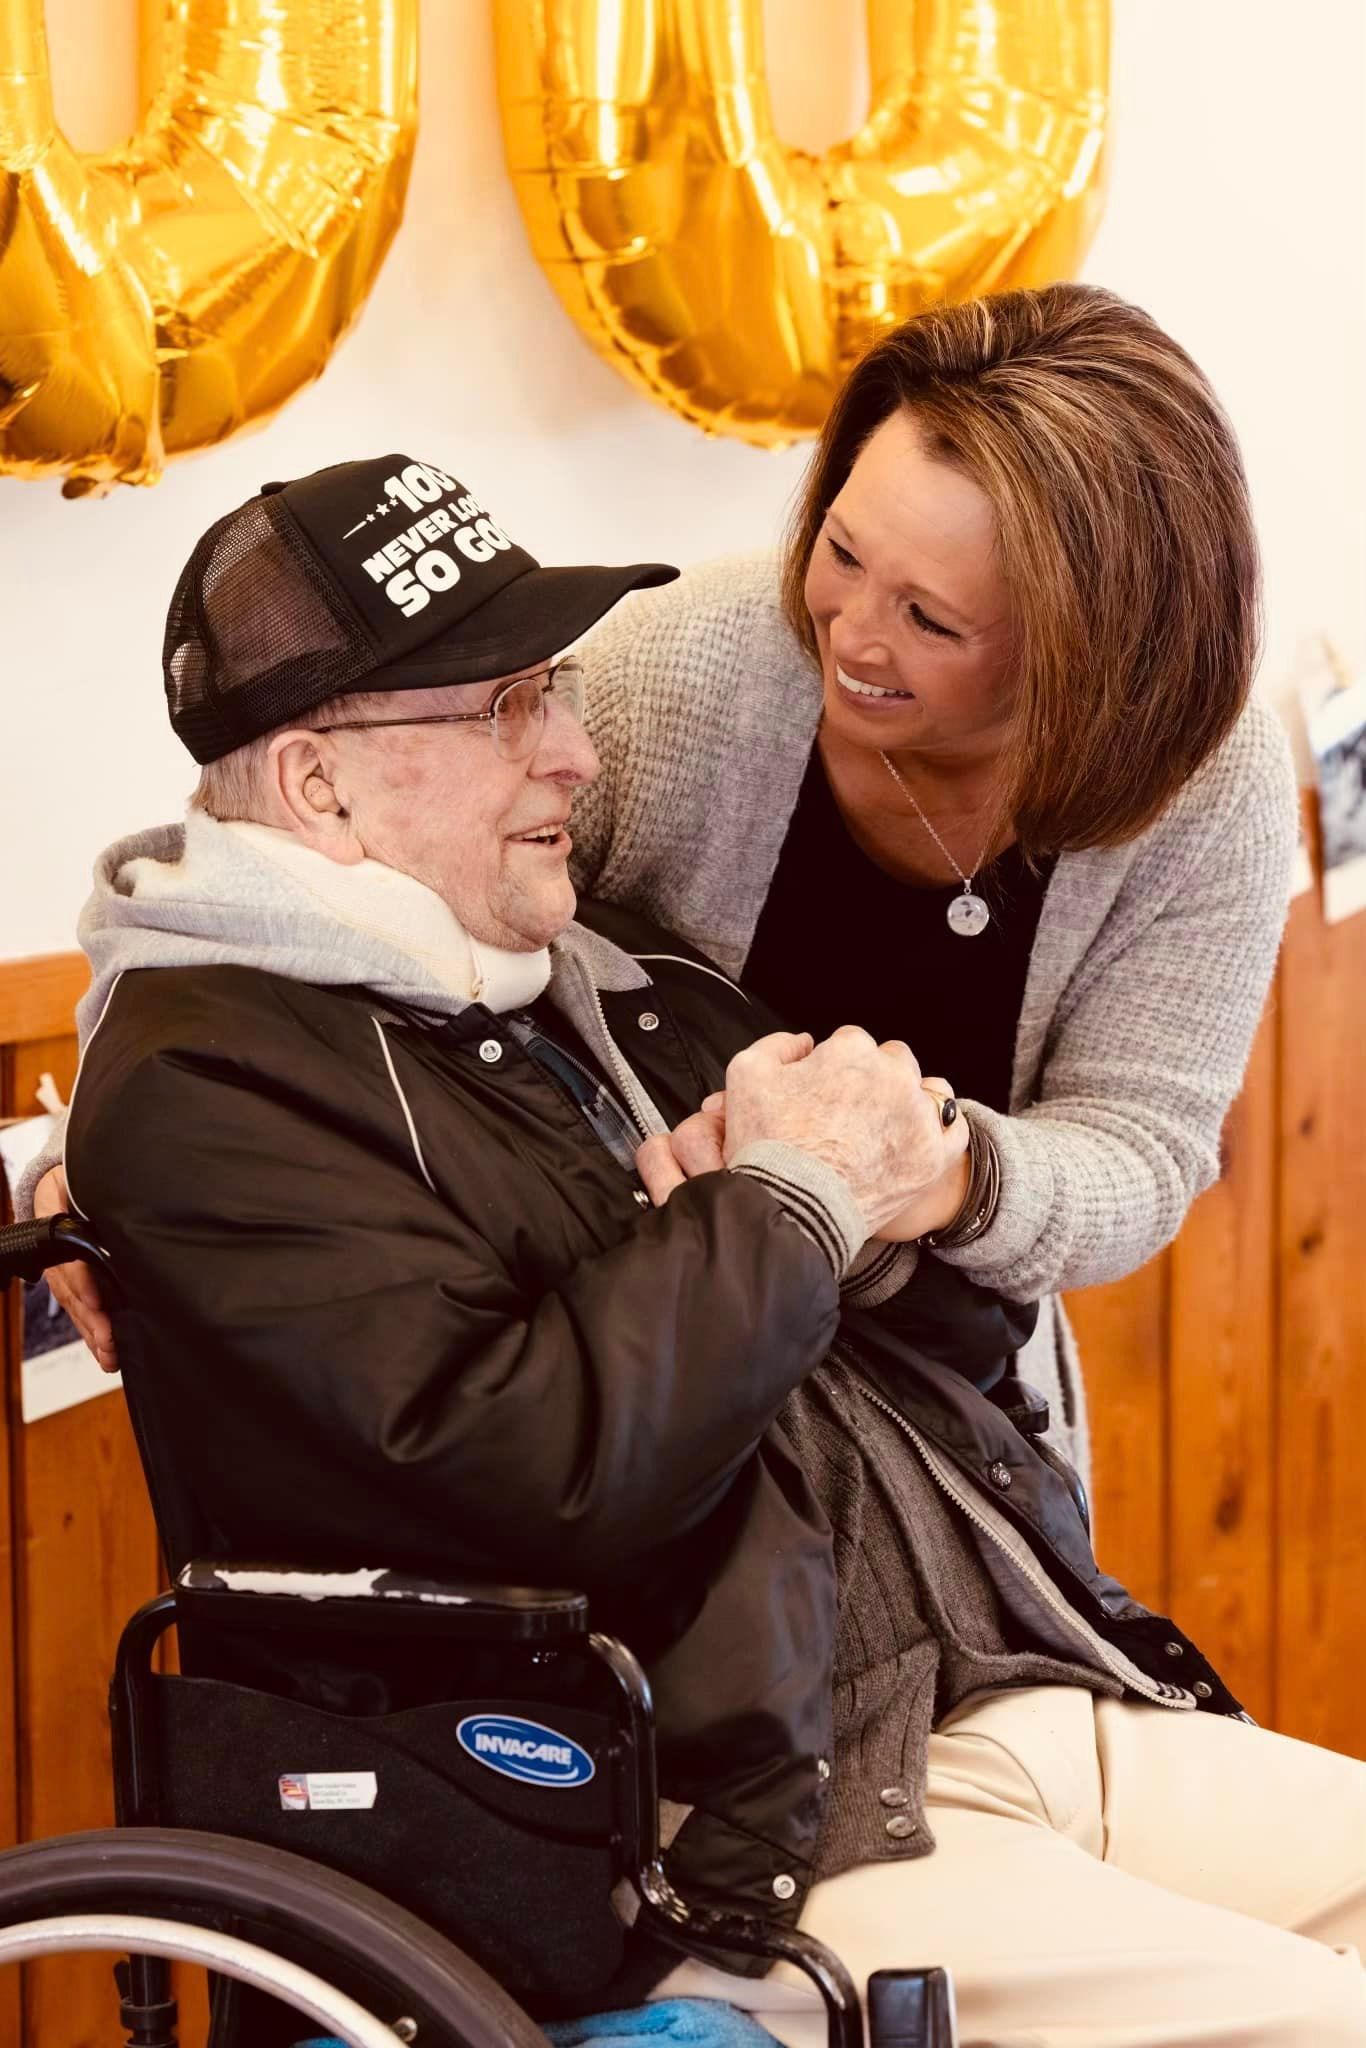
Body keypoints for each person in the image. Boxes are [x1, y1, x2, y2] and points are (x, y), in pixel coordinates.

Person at [29, 456, 1366, 2048]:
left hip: (972, 1686)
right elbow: (542, 1475)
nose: (579, 752)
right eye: (510, 705)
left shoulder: (597, 979)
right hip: (701, 1822)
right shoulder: (214, 1085)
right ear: (320, 788)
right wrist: (777, 1210)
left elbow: (955, 1322)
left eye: (557, 687)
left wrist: (870, 1203)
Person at [561, 281, 1301, 1479]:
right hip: (631, 1349)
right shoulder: (681, 668)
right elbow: (441, 924)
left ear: (1084, 652)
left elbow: (1141, 1150)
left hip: (947, 1413)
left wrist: (942, 1169)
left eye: (930, 619)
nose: (851, 633)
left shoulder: (1206, 789)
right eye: (841, 551)